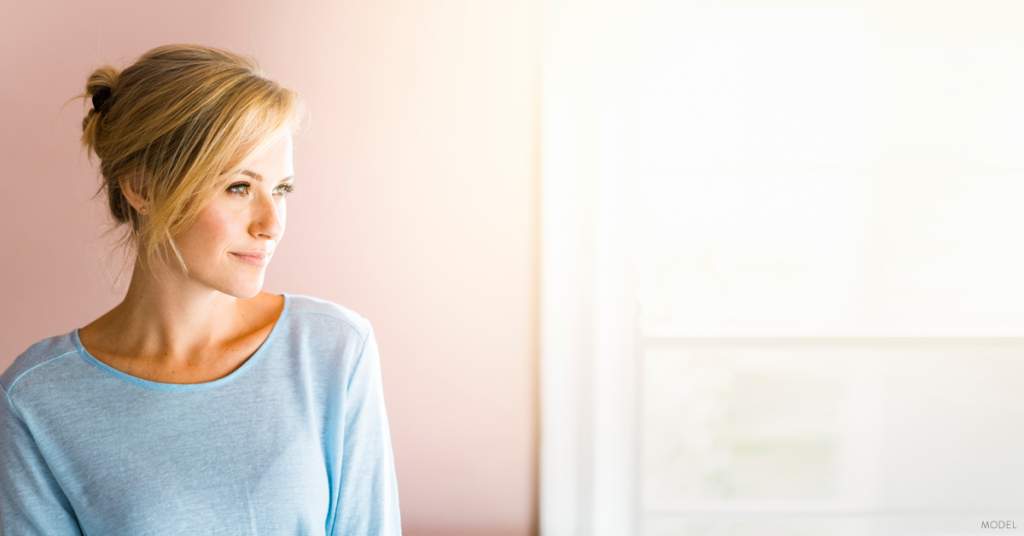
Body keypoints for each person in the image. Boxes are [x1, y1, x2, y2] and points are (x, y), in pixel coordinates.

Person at [0, 45, 401, 535]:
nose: (271, 224)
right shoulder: (37, 400)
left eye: (281, 189)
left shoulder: (334, 351)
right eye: (239, 187)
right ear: (142, 187)